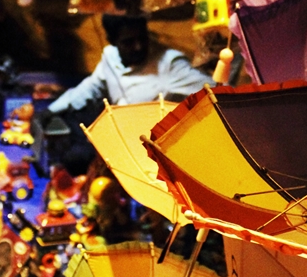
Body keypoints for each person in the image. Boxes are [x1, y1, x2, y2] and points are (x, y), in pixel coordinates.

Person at [43, 13, 214, 175]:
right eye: (128, 42)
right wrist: (51, 110)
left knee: (77, 160)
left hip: (149, 145)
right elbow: (91, 87)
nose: (138, 46)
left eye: (142, 38)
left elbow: (213, 89)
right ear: (112, 41)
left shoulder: (170, 64)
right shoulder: (110, 57)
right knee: (65, 144)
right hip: (116, 132)